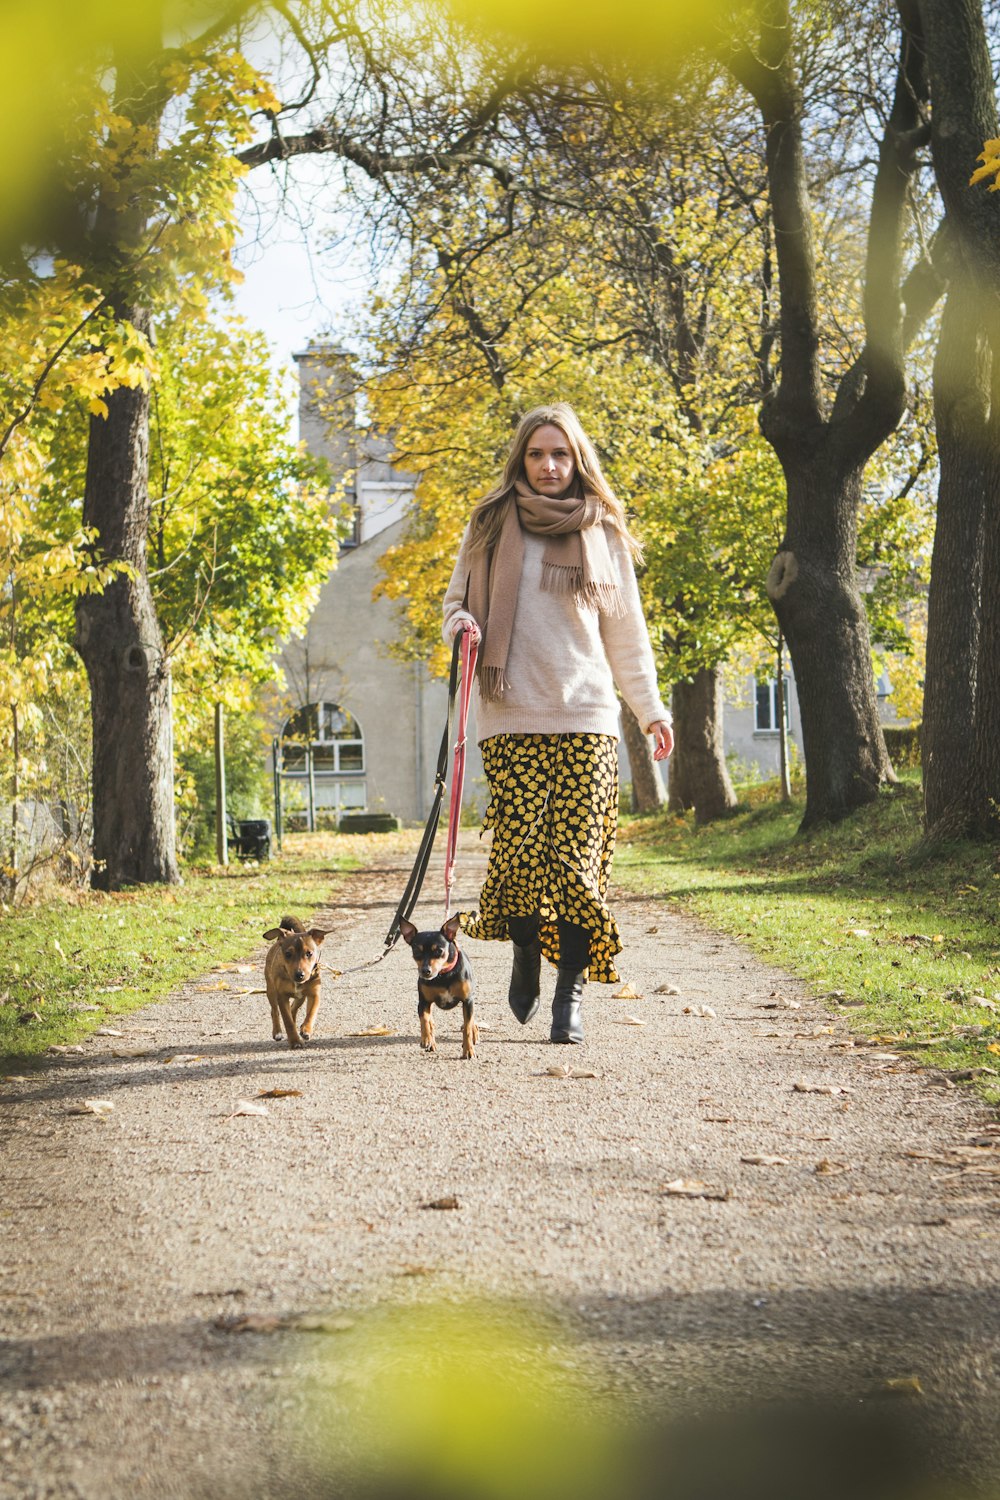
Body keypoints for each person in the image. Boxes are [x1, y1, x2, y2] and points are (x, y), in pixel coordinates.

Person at [442, 402, 673, 1044]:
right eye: (538, 454)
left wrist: (649, 709)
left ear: (578, 461)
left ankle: (568, 996)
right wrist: (462, 625)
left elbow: (627, 635)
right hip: (509, 715)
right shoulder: (489, 523)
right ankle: (523, 951)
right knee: (519, 860)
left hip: (587, 716)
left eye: (561, 454)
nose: (549, 466)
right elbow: (456, 600)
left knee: (575, 866)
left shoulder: (604, 531)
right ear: (522, 458)